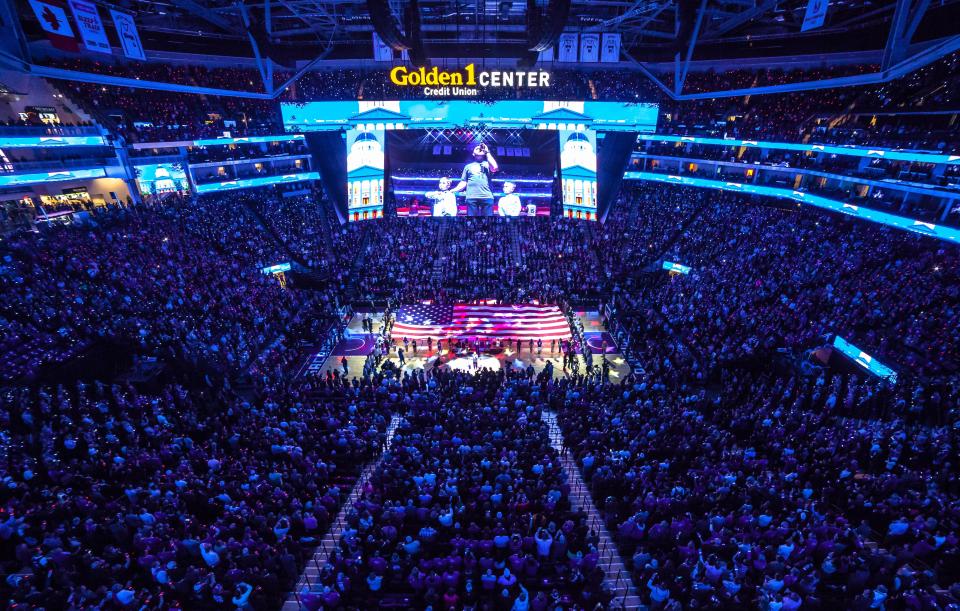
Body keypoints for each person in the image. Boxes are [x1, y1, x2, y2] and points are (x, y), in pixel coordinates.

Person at [451, 143, 498, 216]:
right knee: (472, 221)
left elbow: (495, 167)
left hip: (487, 196)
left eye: (480, 148)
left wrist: (487, 152)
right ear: (473, 154)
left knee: (488, 222)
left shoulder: (488, 164)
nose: (479, 149)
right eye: (477, 148)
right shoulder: (468, 167)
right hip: (471, 197)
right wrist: (453, 190)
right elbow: (464, 182)